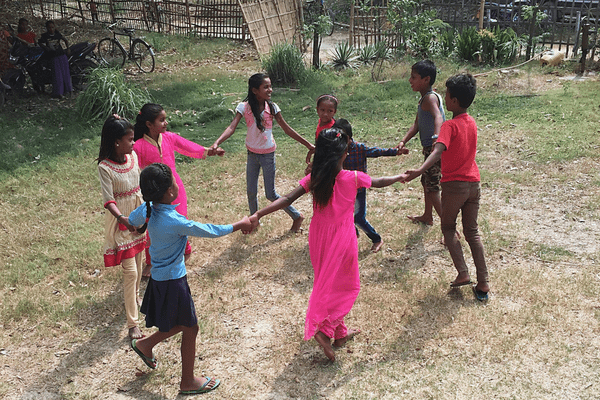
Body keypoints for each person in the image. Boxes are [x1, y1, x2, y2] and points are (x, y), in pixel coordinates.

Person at [247, 128, 407, 361]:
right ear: (343, 155)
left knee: (330, 282)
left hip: (319, 237)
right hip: (342, 237)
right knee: (348, 285)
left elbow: (287, 199)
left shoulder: (315, 179)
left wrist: (259, 214)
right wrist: (400, 177)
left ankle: (340, 333)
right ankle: (325, 329)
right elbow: (378, 181)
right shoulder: (351, 177)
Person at [128, 163, 252, 395]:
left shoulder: (147, 209)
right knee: (190, 327)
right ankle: (187, 382)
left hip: (159, 280)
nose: (177, 183)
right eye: (175, 181)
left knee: (184, 324)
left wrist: (136, 228)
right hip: (174, 281)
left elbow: (132, 220)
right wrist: (239, 225)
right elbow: (208, 230)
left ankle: (146, 345)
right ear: (170, 192)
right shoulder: (174, 222)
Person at [400, 73, 489, 301]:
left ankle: (462, 273)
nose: (445, 99)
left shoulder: (450, 126)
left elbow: (437, 150)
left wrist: (419, 170)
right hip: (474, 185)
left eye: (447, 96)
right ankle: (484, 283)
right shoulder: (472, 123)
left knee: (448, 228)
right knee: (472, 232)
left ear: (454, 101)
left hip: (455, 186)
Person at [208, 73, 315, 233]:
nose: (270, 90)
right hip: (252, 155)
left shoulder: (272, 108)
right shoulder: (244, 107)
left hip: (267, 155)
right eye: (266, 87)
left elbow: (287, 129)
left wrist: (308, 145)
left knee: (270, 194)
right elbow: (232, 127)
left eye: (270, 86)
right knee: (251, 192)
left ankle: (296, 216)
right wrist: (217, 142)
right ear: (255, 90)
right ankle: (254, 221)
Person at [133, 103, 224, 277]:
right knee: (153, 225)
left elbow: (188, 147)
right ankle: (151, 261)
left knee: (180, 220)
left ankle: (184, 251)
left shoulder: (169, 138)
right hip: (154, 194)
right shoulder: (138, 146)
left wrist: (210, 152)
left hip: (176, 189)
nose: (166, 123)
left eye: (165, 119)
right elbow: (135, 170)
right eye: (162, 120)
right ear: (149, 124)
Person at [97, 115, 146, 339]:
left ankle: (135, 297)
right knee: (131, 272)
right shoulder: (105, 168)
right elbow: (109, 201)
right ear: (116, 142)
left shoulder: (133, 157)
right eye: (129, 139)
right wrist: (123, 220)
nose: (133, 143)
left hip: (138, 217)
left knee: (139, 261)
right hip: (121, 225)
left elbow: (139, 188)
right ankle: (132, 324)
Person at [336, 118, 408, 253]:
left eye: (342, 138)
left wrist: (395, 151)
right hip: (343, 190)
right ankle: (352, 235)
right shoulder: (336, 151)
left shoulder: (359, 148)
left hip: (359, 189)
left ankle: (376, 239)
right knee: (344, 216)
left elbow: (377, 151)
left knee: (358, 218)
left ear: (350, 137)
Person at [398, 60, 445, 227]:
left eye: (413, 77)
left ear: (426, 79)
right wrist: (404, 140)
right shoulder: (424, 99)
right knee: (426, 182)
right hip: (429, 149)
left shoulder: (430, 98)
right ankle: (427, 215)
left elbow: (438, 117)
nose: (410, 80)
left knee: (432, 187)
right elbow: (417, 125)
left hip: (434, 149)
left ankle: (449, 228)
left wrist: (436, 137)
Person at [38, 20, 72, 99]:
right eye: (49, 27)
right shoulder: (44, 36)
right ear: (46, 28)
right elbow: (39, 43)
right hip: (53, 57)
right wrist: (45, 47)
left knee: (66, 74)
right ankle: (59, 92)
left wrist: (68, 49)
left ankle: (69, 90)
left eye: (52, 27)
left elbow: (65, 40)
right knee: (57, 75)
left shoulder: (57, 34)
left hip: (61, 55)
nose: (51, 29)